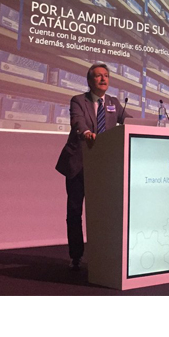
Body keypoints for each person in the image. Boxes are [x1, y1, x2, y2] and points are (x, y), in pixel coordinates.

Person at [55, 63, 130, 270]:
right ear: (89, 81)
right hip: (79, 164)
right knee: (75, 211)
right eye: (98, 76)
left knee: (105, 213)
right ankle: (76, 256)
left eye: (106, 75)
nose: (103, 79)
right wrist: (87, 133)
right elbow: (78, 122)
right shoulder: (79, 100)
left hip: (103, 166)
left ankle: (104, 255)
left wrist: (149, 126)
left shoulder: (114, 103)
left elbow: (129, 122)